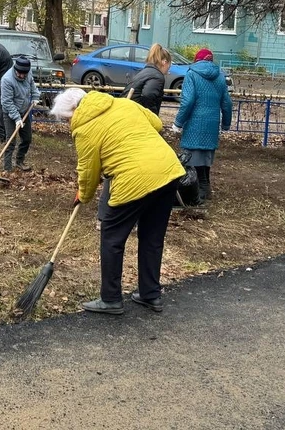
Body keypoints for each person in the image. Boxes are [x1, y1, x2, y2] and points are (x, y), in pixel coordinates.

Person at [51, 87, 185, 315]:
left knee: (112, 237)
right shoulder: (123, 104)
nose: (67, 123)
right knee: (152, 237)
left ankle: (111, 298)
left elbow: (88, 170)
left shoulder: (85, 128)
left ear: (74, 109)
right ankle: (150, 294)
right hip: (167, 171)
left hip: (134, 177)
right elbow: (157, 124)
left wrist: (83, 195)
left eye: (66, 118)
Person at [173, 48, 232, 205]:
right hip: (212, 123)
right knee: (205, 156)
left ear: (196, 60)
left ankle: (199, 191)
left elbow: (188, 101)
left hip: (194, 122)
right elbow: (227, 102)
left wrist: (178, 122)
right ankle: (205, 188)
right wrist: (226, 123)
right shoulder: (220, 76)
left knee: (192, 156)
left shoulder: (191, 74)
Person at [0, 55, 42, 173]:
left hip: (24, 110)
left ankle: (19, 161)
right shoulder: (7, 80)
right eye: (20, 73)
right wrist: (17, 118)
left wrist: (35, 97)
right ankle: (7, 168)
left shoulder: (28, 74)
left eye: (25, 74)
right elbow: (7, 102)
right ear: (15, 69)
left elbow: (32, 86)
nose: (22, 76)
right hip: (9, 113)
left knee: (27, 138)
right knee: (10, 141)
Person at [123, 43, 171, 116]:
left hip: (127, 110)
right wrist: (153, 116)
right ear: (164, 62)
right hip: (135, 115)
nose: (169, 68)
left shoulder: (146, 71)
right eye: (169, 65)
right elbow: (148, 95)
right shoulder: (157, 76)